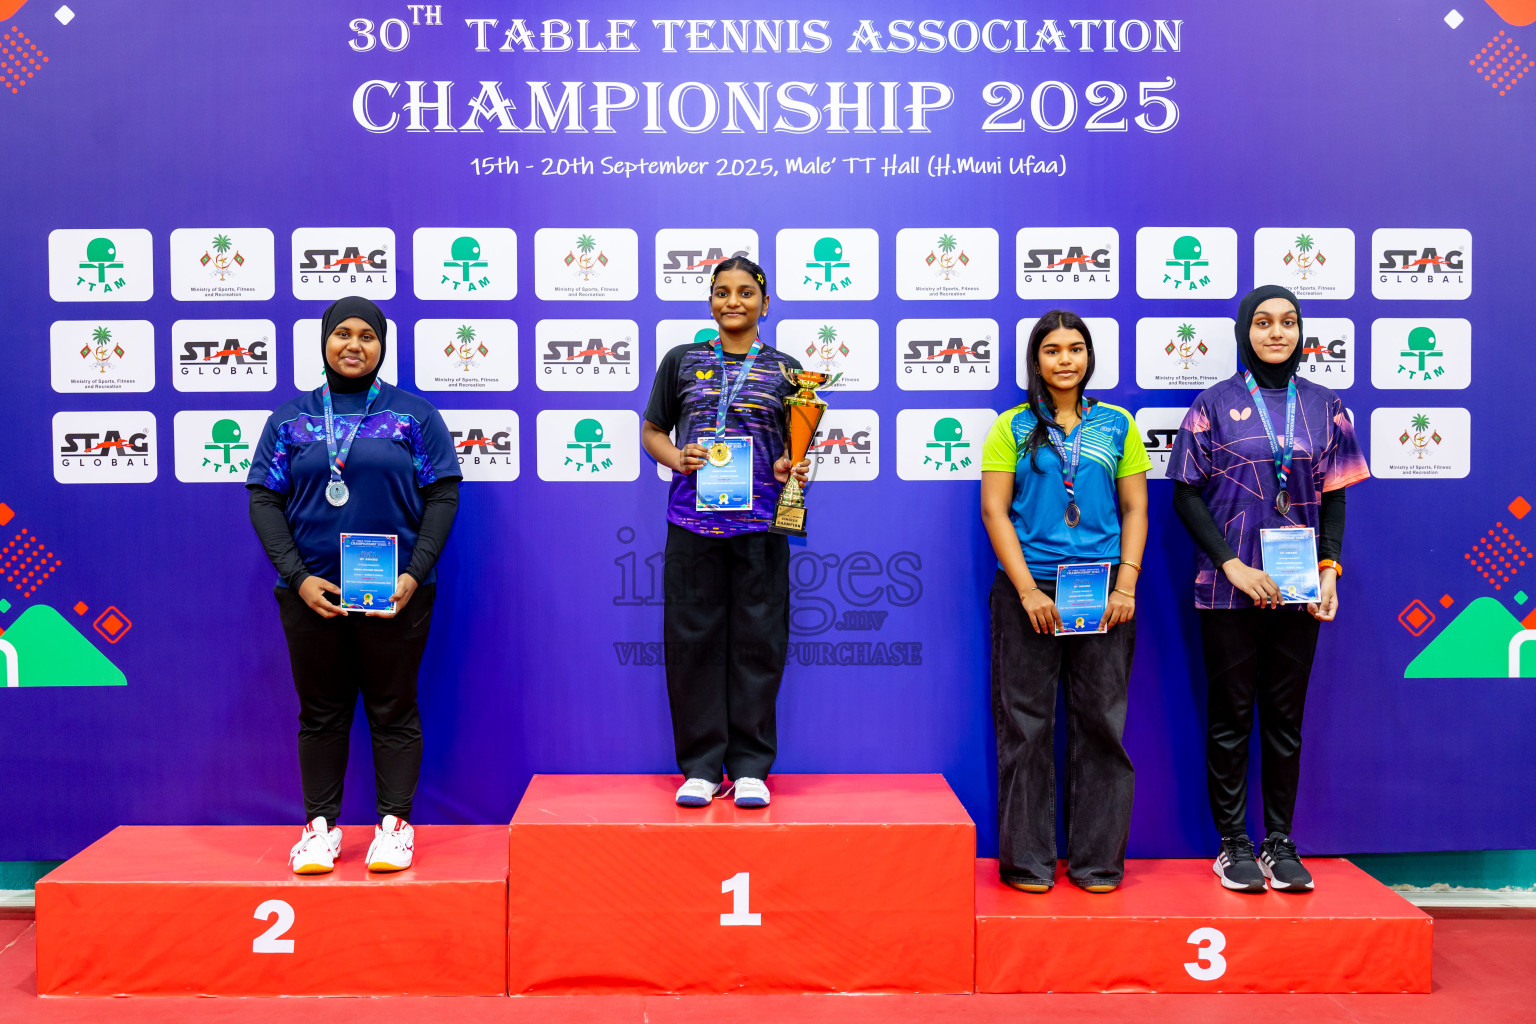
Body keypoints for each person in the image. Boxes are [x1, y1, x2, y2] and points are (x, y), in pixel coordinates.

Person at [246, 296, 461, 874]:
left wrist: (414, 574)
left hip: (395, 594)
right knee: (320, 713)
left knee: (394, 709)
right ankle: (320, 830)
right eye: (342, 333)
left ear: (382, 346)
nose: (354, 345)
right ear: (323, 342)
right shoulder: (290, 420)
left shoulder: (413, 416)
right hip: (312, 593)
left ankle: (394, 826)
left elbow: (443, 495)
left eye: (367, 335)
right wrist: (297, 577)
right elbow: (264, 498)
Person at [1168, 284, 1369, 893]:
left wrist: (1330, 570)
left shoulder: (1326, 405)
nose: (1276, 333)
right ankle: (1233, 844)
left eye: (1288, 322)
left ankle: (1280, 842)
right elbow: (1185, 494)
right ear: (1244, 331)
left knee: (1285, 719)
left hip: (1299, 589)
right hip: (1228, 589)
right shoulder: (1212, 403)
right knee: (1230, 719)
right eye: (1262, 322)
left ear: (1301, 332)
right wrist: (1230, 564)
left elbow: (1333, 498)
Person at [980, 311, 1150, 893]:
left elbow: (1135, 509)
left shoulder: (1117, 424)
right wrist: (1027, 590)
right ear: (1037, 360)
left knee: (1102, 726)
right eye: (1052, 350)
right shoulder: (1011, 426)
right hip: (1028, 594)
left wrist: (1126, 585)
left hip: (1103, 595)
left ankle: (1097, 863)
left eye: (1075, 349)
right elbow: (994, 511)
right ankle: (1026, 862)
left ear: (1089, 356)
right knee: (1025, 730)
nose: (1065, 360)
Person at [641, 257, 809, 809]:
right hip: (692, 523)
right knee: (693, 645)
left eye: (743, 293)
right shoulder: (682, 361)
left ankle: (752, 766)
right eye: (720, 292)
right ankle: (701, 767)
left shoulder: (786, 371)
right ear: (709, 301)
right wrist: (677, 458)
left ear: (765, 302)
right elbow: (651, 431)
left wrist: (790, 469)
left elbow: (793, 454)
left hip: (760, 525)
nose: (731, 302)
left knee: (759, 644)